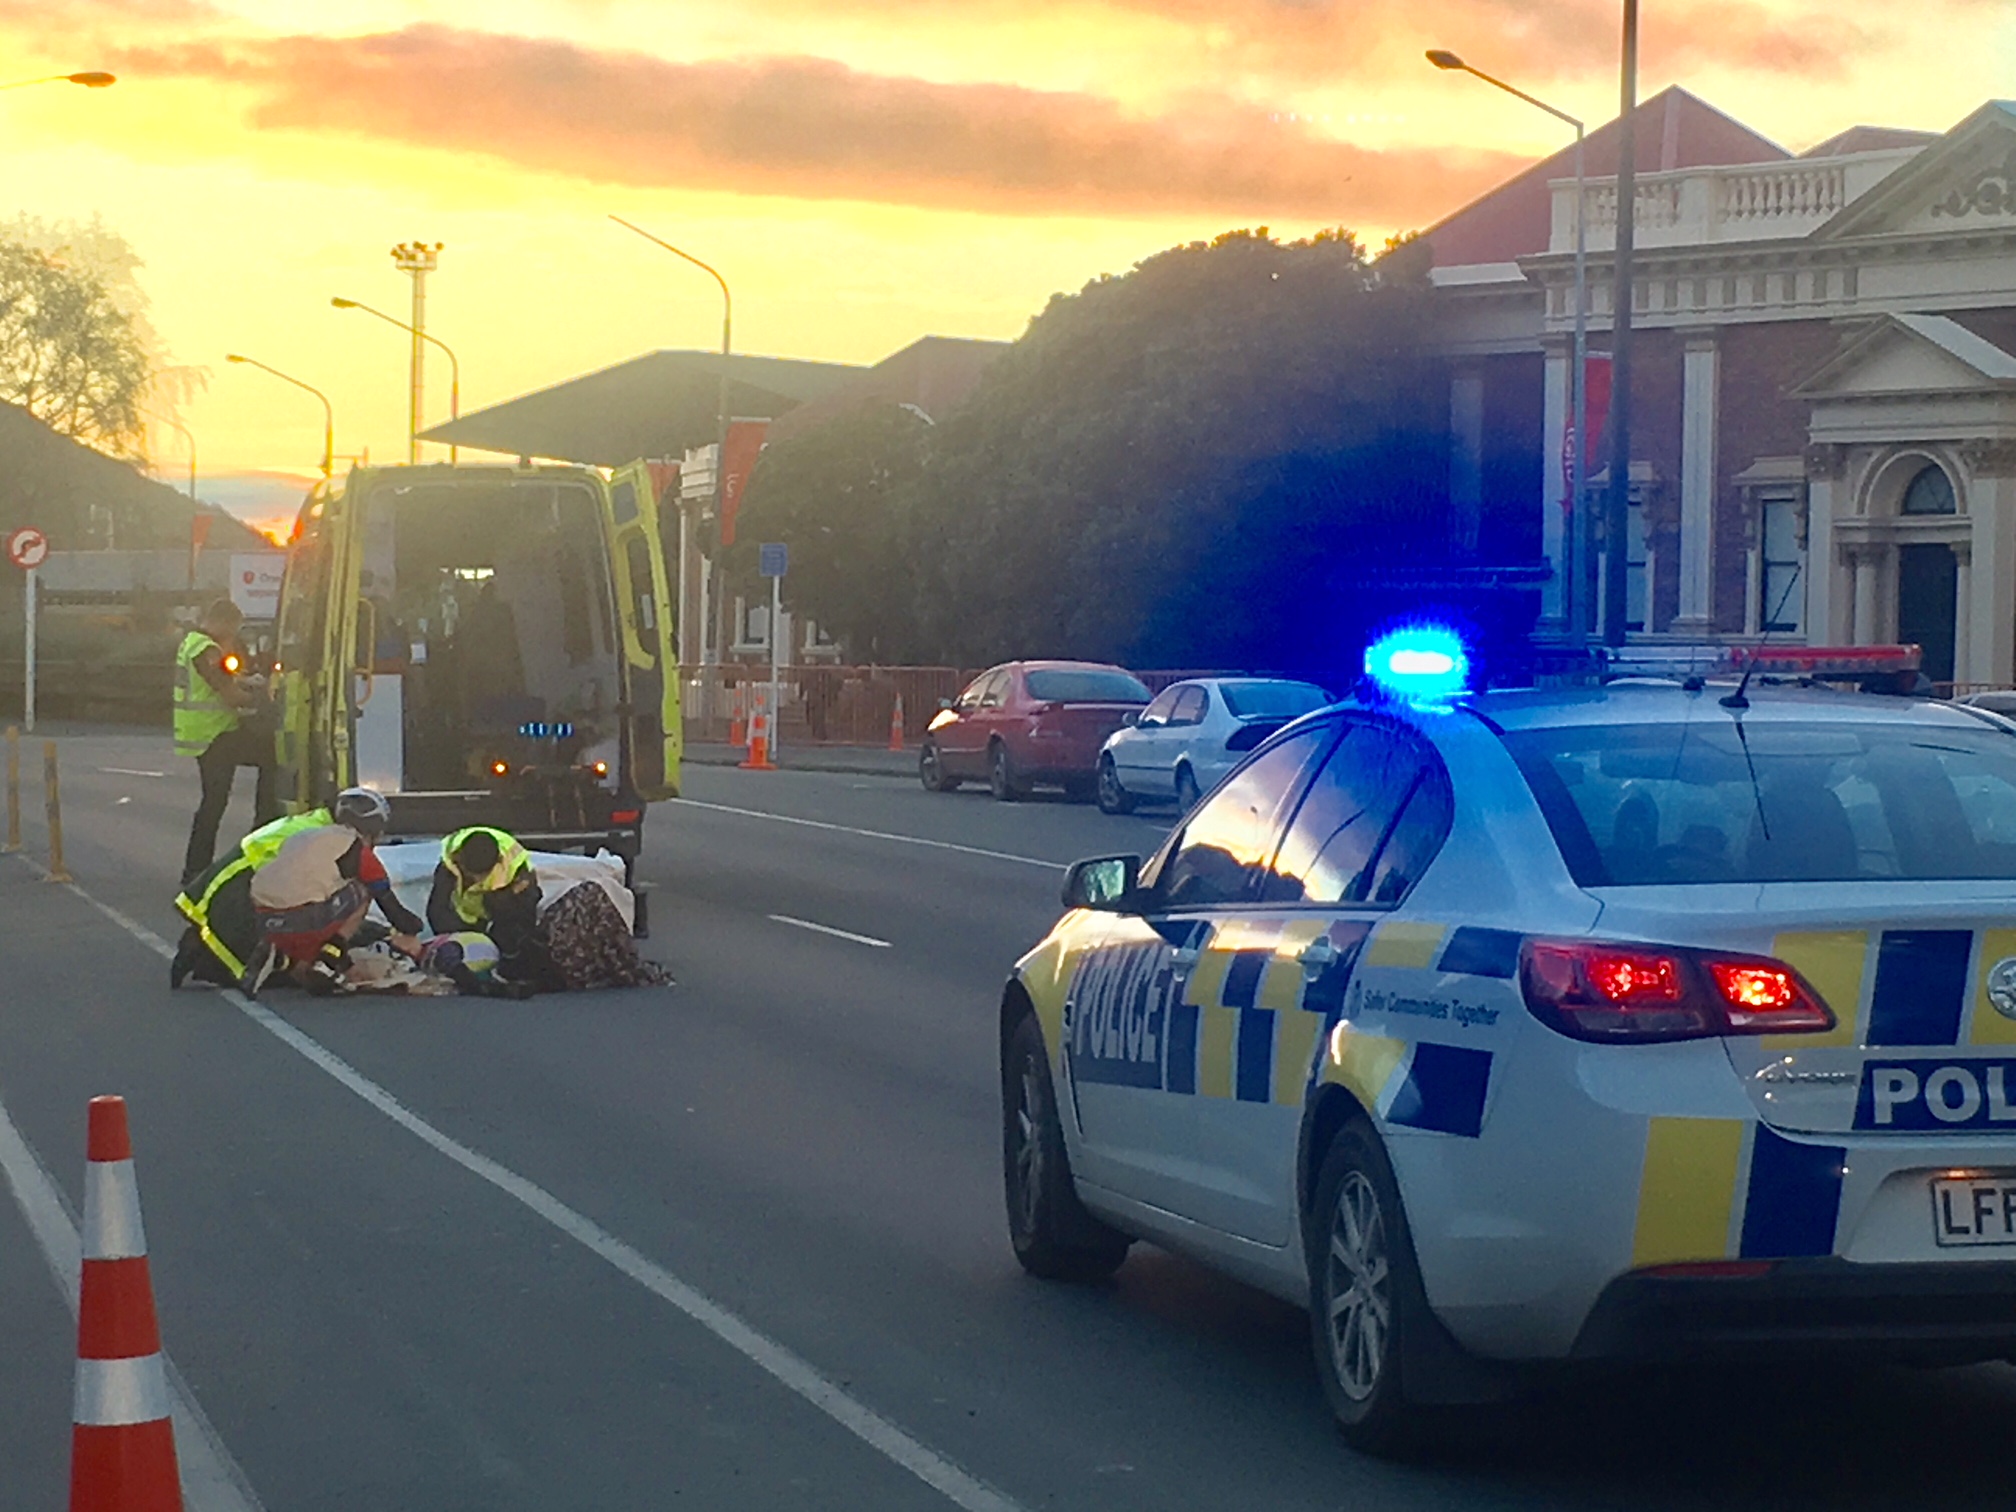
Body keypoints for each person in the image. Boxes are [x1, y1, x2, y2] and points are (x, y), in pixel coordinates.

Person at [170, 787, 421, 989]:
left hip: (228, 890)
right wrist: (395, 930)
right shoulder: (343, 843)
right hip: (245, 898)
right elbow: (378, 897)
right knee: (356, 894)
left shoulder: (310, 825)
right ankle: (313, 960)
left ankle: (212, 951)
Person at [177, 599, 278, 885]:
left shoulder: (194, 642)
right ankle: (200, 869)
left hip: (212, 733)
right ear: (224, 623)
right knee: (271, 757)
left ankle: (196, 870)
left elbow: (234, 680)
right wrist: (265, 700)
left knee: (214, 801)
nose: (233, 637)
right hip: (213, 734)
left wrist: (250, 682)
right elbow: (229, 693)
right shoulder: (205, 649)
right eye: (233, 630)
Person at [428, 827, 545, 995]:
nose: (476, 881)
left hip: (502, 916)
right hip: (465, 923)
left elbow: (527, 914)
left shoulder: (516, 865)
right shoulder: (449, 863)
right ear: (459, 859)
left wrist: (505, 899)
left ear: (498, 861)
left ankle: (511, 967)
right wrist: (453, 940)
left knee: (514, 932)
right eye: (471, 875)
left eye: (482, 875)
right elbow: (436, 910)